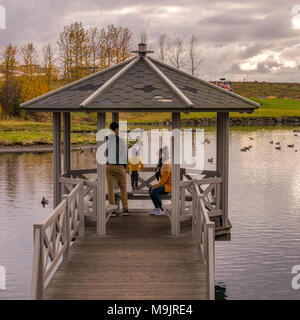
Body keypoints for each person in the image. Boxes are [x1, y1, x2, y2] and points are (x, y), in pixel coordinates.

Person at [106, 122, 129, 216]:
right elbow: (125, 154)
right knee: (123, 188)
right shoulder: (121, 141)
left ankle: (113, 211)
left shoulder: (106, 140)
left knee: (110, 189)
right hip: (119, 166)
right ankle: (125, 209)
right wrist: (124, 166)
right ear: (117, 130)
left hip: (108, 166)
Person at [149, 146, 171, 216]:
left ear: (163, 154)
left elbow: (164, 179)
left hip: (169, 186)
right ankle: (157, 208)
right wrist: (157, 167)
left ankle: (161, 209)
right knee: (151, 189)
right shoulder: (163, 162)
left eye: (159, 153)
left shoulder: (167, 164)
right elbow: (160, 166)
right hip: (165, 184)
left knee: (154, 190)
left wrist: (156, 186)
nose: (158, 154)